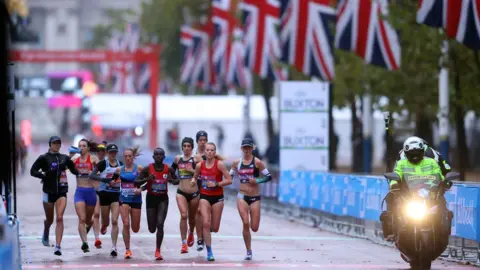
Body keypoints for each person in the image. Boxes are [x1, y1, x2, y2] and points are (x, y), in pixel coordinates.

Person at [380, 136, 448, 241]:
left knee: (442, 201)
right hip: (409, 194)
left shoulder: (431, 162)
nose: (415, 156)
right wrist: (394, 184)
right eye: (412, 153)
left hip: (429, 193)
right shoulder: (402, 163)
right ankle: (392, 228)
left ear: (423, 151)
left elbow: (439, 175)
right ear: (406, 153)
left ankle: (443, 228)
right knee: (391, 197)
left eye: (417, 152)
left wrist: (444, 182)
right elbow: (396, 174)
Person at [30, 136, 79, 256]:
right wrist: (43, 175)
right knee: (50, 219)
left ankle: (58, 246)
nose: (57, 145)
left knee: (60, 218)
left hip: (62, 192)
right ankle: (46, 228)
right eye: (54, 143)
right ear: (50, 144)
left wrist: (84, 169)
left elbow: (74, 171)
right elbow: (33, 171)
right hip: (48, 192)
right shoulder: (43, 158)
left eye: (58, 143)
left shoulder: (64, 158)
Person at [230, 138, 272, 260]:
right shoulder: (236, 163)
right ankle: (248, 251)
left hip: (255, 197)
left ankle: (249, 248)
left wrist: (257, 180)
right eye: (245, 148)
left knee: (254, 227)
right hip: (242, 196)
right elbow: (229, 176)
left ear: (252, 148)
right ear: (241, 149)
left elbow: (268, 177)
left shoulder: (258, 162)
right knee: (245, 222)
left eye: (249, 148)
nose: (247, 150)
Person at [190, 142, 232, 261]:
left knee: (215, 227)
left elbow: (229, 180)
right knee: (206, 223)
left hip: (218, 198)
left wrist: (217, 184)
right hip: (204, 197)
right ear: (205, 152)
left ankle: (205, 235)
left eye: (211, 150)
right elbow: (196, 175)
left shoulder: (220, 165)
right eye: (207, 150)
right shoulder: (200, 165)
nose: (209, 152)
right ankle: (209, 251)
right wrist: (193, 180)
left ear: (214, 152)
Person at [135, 148, 178, 260]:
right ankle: (153, 234)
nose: (159, 156)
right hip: (151, 199)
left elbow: (177, 180)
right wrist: (147, 179)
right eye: (156, 154)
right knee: (152, 228)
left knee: (160, 224)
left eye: (161, 155)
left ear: (164, 157)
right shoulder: (148, 168)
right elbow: (136, 182)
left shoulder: (168, 169)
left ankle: (158, 250)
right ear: (153, 157)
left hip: (163, 199)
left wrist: (171, 181)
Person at [89, 143, 123, 257]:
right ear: (108, 153)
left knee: (114, 220)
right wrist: (105, 180)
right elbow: (92, 176)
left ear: (116, 153)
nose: (113, 154)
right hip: (104, 194)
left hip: (116, 194)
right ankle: (104, 225)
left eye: (115, 152)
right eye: (111, 152)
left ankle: (114, 247)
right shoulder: (103, 163)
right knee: (107, 221)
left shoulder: (120, 164)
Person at [111, 146, 144, 259]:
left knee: (135, 228)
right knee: (125, 223)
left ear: (133, 157)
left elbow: (147, 182)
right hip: (123, 199)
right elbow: (112, 181)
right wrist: (110, 183)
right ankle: (127, 249)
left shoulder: (139, 169)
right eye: (126, 156)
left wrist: (140, 189)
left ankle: (128, 247)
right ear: (123, 157)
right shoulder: (119, 170)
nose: (128, 158)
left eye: (130, 156)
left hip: (136, 199)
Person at [171, 137, 202, 254]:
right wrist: (172, 179)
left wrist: (192, 171)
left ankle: (191, 232)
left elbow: (203, 173)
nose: (186, 148)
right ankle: (183, 243)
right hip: (181, 192)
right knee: (184, 215)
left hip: (194, 193)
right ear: (182, 147)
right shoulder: (178, 158)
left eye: (189, 146)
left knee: (192, 218)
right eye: (184, 146)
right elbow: (171, 170)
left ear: (192, 148)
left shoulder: (196, 158)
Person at [71, 139, 100, 253]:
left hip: (91, 192)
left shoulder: (93, 159)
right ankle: (85, 243)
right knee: (82, 219)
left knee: (88, 219)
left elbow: (101, 173)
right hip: (80, 192)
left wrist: (93, 173)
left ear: (88, 148)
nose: (81, 148)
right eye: (79, 146)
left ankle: (89, 224)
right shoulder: (74, 159)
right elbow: (63, 168)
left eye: (84, 146)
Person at [90, 142, 106, 249]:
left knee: (105, 217)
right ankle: (97, 238)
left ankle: (105, 224)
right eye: (98, 151)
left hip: (107, 192)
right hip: (95, 191)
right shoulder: (92, 161)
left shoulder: (109, 162)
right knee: (96, 214)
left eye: (103, 151)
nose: (100, 153)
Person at [193, 130, 208, 251]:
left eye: (205, 140)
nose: (203, 143)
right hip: (197, 188)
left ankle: (205, 232)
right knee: (198, 212)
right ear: (197, 142)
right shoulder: (193, 157)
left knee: (207, 217)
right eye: (200, 140)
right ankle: (199, 238)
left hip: (209, 188)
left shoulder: (211, 154)